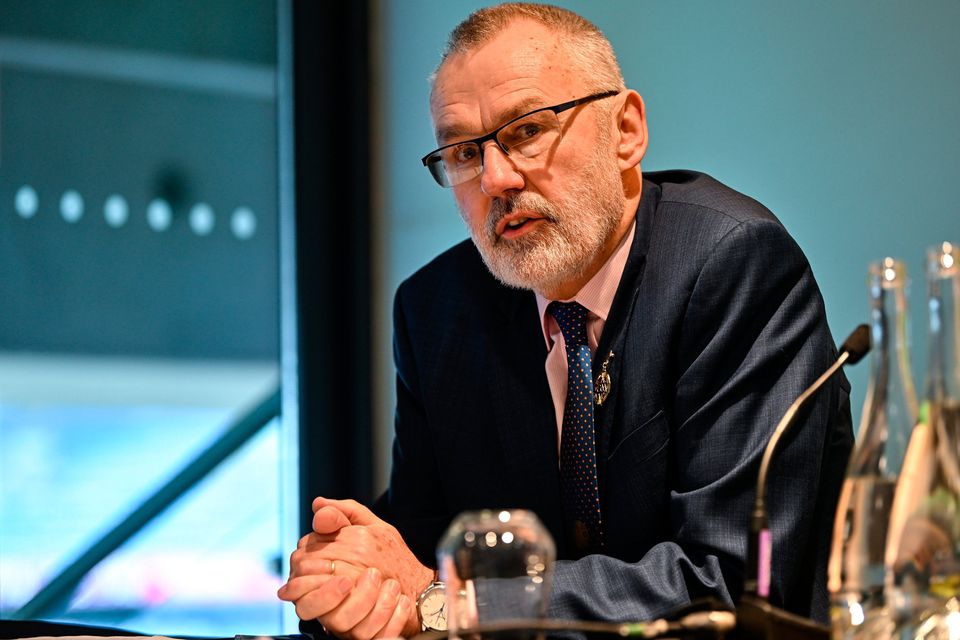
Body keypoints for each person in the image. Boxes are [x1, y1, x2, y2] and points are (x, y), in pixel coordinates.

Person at [278, 4, 853, 639]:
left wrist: (451, 605)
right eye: (465, 152)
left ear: (626, 130)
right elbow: (419, 551)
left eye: (525, 131)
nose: (496, 178)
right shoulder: (437, 311)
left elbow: (721, 584)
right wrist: (352, 577)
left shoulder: (733, 265)